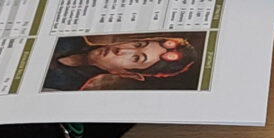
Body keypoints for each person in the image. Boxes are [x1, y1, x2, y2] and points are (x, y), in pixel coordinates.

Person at [43, 33, 201, 93]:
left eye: (136, 58)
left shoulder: (65, 89)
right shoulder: (67, 34)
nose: (121, 50)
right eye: (137, 44)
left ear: (127, 74)